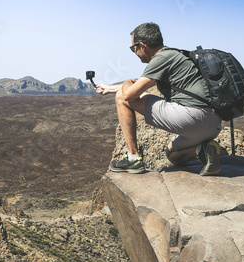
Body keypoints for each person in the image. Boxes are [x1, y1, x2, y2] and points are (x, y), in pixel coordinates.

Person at [95, 22, 222, 175]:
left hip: (193, 117)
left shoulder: (161, 58)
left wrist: (127, 81)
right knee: (172, 155)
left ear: (142, 46)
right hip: (212, 124)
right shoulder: (173, 55)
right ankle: (204, 150)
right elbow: (142, 86)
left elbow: (129, 94)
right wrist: (108, 88)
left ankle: (132, 158)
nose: (134, 52)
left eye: (133, 48)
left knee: (122, 97)